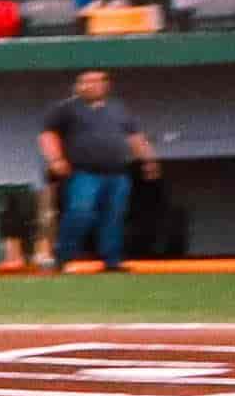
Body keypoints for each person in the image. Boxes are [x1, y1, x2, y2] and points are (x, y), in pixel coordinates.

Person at [37, 71, 157, 276]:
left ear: (106, 85)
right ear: (78, 86)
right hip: (84, 173)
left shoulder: (118, 110)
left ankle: (112, 261)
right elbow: (47, 135)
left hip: (117, 173)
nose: (92, 85)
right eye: (86, 82)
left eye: (97, 81)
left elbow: (135, 136)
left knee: (114, 216)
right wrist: (56, 159)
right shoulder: (66, 109)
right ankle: (62, 257)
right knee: (80, 212)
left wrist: (148, 159)